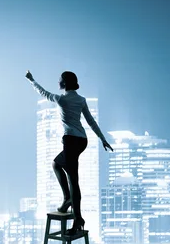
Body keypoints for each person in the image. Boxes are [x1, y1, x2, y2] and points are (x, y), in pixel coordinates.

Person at [25, 70, 114, 235]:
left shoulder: (61, 99)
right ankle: (67, 199)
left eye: (59, 80)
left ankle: (78, 219)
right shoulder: (81, 100)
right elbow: (91, 122)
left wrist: (31, 80)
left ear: (64, 83)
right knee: (56, 164)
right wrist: (102, 139)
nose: (58, 82)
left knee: (73, 180)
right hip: (82, 140)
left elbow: (43, 92)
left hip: (71, 141)